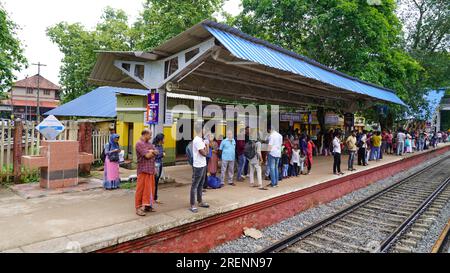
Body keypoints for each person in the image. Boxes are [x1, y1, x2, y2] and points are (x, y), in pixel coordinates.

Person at [135, 129, 158, 216]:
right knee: (141, 190)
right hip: (143, 170)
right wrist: (152, 152)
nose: (151, 137)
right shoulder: (139, 144)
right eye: (150, 135)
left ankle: (147, 206)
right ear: (145, 134)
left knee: (150, 190)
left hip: (150, 169)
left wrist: (151, 151)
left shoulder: (149, 144)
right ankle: (138, 208)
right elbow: (147, 156)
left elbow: (157, 151)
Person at [190, 124, 210, 213]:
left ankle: (200, 201)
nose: (205, 130)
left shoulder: (201, 140)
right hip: (198, 165)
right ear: (201, 130)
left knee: (201, 185)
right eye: (204, 129)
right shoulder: (197, 140)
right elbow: (205, 153)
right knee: (195, 185)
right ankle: (192, 205)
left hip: (203, 164)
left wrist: (207, 146)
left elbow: (207, 152)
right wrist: (207, 146)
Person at [152, 133, 165, 203]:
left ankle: (155, 197)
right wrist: (162, 154)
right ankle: (154, 197)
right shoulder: (154, 146)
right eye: (164, 138)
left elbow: (161, 153)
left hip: (160, 164)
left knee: (156, 182)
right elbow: (155, 155)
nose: (164, 140)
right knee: (154, 182)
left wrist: (162, 154)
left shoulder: (161, 146)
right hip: (156, 165)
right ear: (160, 139)